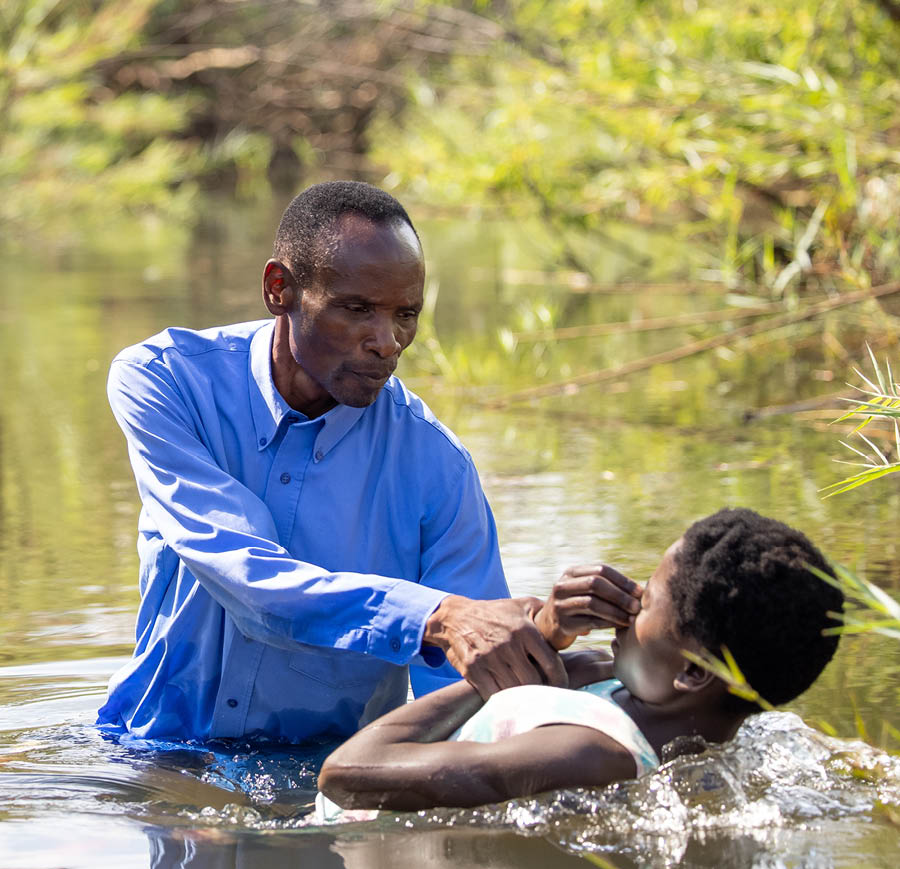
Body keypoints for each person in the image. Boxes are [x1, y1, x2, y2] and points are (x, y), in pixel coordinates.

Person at [98, 181, 589, 744]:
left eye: (406, 314)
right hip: (151, 751)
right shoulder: (166, 383)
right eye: (357, 309)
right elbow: (245, 576)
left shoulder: (439, 467)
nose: (388, 342)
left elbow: (468, 694)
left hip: (324, 772)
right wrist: (433, 617)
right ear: (279, 289)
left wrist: (546, 634)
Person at [317, 508, 844, 813]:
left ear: (691, 672)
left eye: (647, 601)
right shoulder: (616, 684)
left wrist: (494, 674)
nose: (627, 606)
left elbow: (344, 774)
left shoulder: (586, 756)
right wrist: (544, 640)